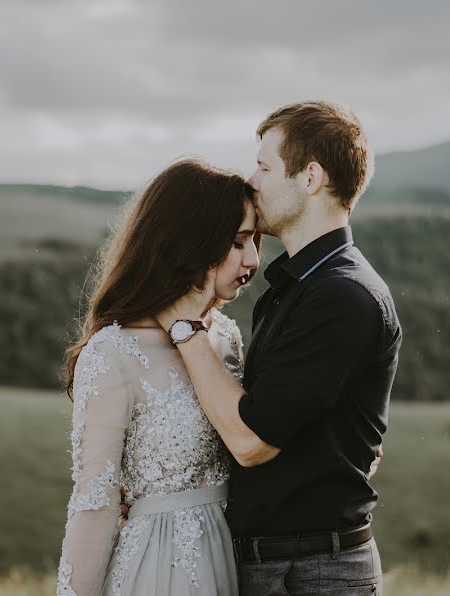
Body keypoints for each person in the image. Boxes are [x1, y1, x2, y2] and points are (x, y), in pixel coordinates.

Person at [157, 100, 402, 595]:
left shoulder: (341, 295)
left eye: (265, 166)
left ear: (310, 177)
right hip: (278, 564)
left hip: (313, 572)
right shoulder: (298, 286)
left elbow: (250, 440)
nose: (253, 180)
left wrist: (184, 328)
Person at [55, 158, 261, 595]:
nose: (254, 259)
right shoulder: (112, 354)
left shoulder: (225, 337)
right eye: (240, 241)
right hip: (158, 568)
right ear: (194, 242)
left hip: (239, 560)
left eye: (255, 240)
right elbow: (95, 502)